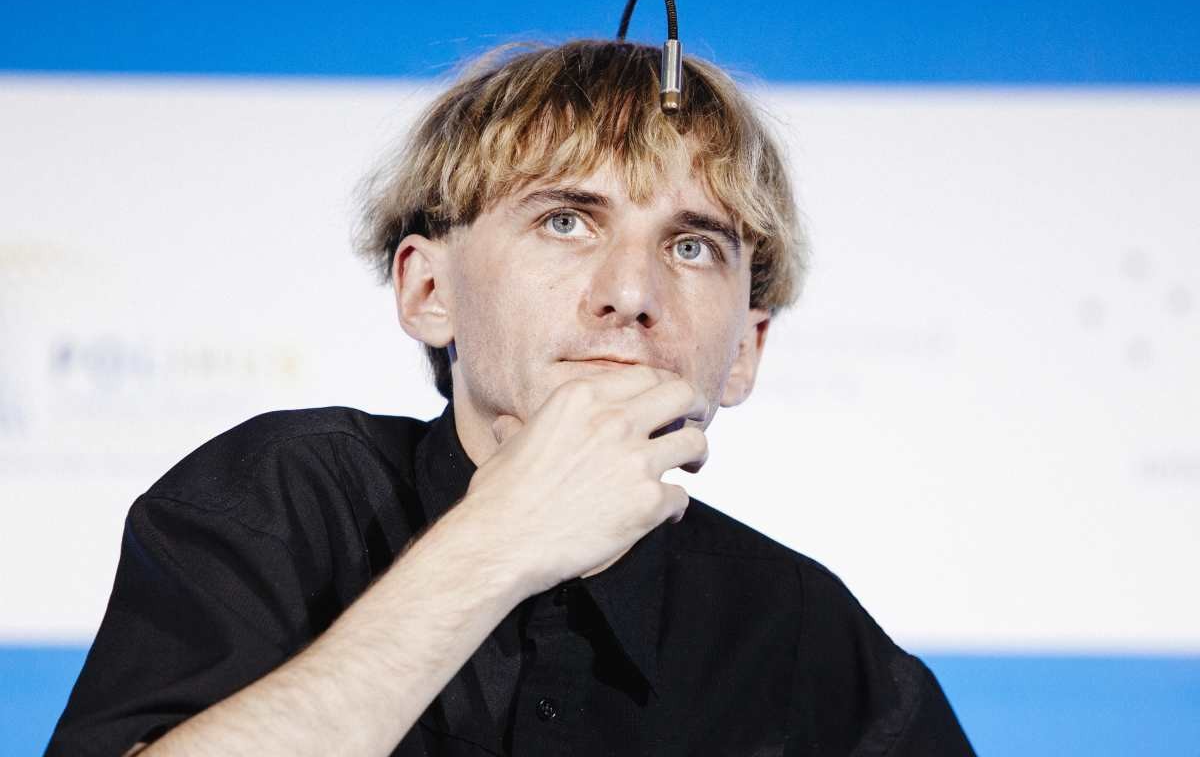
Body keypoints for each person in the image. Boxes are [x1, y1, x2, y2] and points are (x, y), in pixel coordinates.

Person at [47, 40, 975, 756]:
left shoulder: (805, 633)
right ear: (428, 291)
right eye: (566, 221)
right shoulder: (290, 497)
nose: (633, 292)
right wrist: (502, 540)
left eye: (693, 246)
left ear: (746, 351)